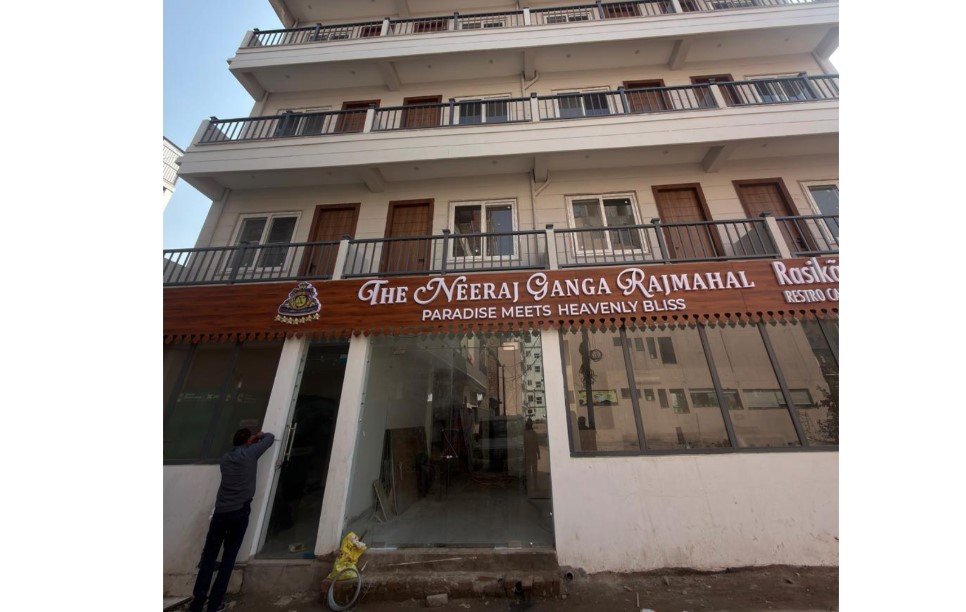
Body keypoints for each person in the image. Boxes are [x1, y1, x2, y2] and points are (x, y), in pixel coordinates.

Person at [189, 428, 275, 612]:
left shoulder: (225, 458)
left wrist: (249, 440)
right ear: (248, 441)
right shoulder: (250, 454)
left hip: (220, 512)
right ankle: (215, 603)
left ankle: (197, 602)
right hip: (239, 512)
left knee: (209, 557)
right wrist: (258, 437)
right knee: (229, 557)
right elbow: (270, 438)